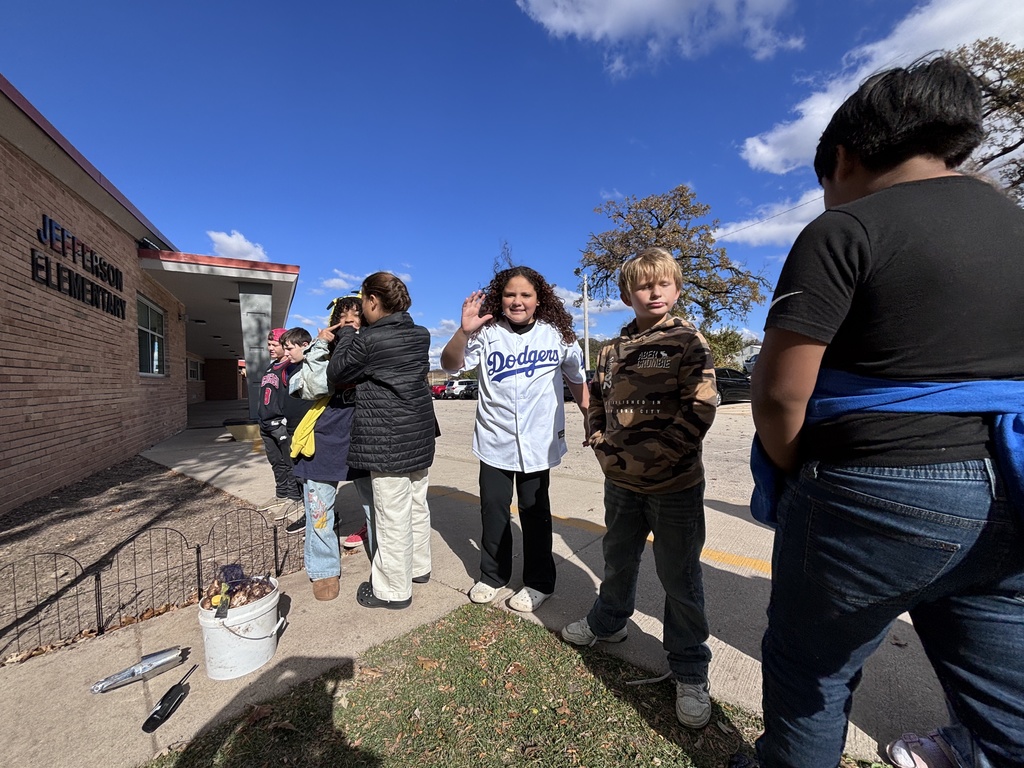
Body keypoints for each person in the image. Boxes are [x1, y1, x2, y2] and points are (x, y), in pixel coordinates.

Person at [745, 56, 1024, 768]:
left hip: (882, 485)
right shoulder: (1012, 221)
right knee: (1004, 700)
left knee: (811, 671)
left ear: (843, 157)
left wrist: (790, 471)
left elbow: (780, 393)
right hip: (1016, 482)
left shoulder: (846, 231)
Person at [560, 247, 718, 729]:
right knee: (617, 558)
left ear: (676, 288)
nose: (653, 292)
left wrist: (658, 457)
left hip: (674, 485)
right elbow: (597, 399)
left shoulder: (688, 341)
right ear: (628, 293)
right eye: (643, 285)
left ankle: (690, 669)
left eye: (662, 284)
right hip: (621, 482)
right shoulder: (610, 348)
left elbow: (702, 406)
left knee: (680, 577)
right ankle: (608, 622)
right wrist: (597, 438)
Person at [439, 266, 588, 612]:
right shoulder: (485, 332)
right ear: (499, 298)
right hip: (495, 439)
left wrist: (592, 420)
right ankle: (493, 575)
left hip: (539, 440)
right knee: (493, 509)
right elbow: (449, 365)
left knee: (535, 511)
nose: (517, 301)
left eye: (525, 295)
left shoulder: (558, 335)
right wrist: (463, 332)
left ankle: (539, 582)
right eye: (510, 295)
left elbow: (578, 381)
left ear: (539, 300)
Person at [326, 272, 436, 610]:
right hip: (419, 436)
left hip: (386, 440)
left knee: (391, 516)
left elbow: (338, 372)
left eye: (362, 304)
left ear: (373, 301)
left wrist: (345, 333)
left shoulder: (368, 341)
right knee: (417, 505)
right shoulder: (421, 335)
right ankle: (419, 568)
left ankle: (392, 590)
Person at [286, 300, 373, 600]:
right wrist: (321, 346)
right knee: (319, 509)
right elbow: (312, 388)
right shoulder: (318, 352)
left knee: (377, 507)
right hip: (325, 435)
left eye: (356, 317)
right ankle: (323, 570)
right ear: (333, 323)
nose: (349, 322)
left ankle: (385, 564)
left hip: (365, 433)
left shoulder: (373, 346)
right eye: (342, 318)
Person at [256, 328, 305, 518]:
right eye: (268, 344)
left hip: (281, 424)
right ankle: (281, 494)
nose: (270, 348)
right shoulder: (271, 367)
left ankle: (295, 498)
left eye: (274, 345)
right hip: (266, 423)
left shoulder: (290, 368)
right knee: (276, 462)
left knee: (289, 462)